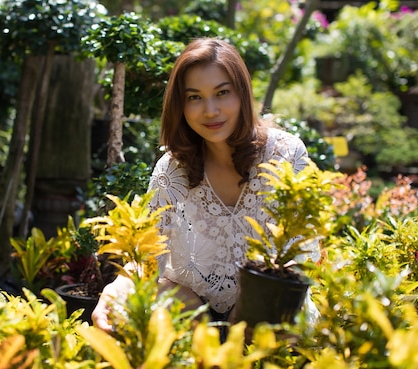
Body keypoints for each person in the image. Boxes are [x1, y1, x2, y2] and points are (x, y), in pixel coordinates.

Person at [92, 37, 313, 331]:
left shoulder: (285, 155)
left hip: (273, 311)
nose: (210, 110)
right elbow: (146, 254)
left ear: (243, 94)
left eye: (222, 93)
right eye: (195, 97)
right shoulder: (171, 170)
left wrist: (250, 310)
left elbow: (301, 256)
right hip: (190, 316)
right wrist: (118, 287)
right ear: (180, 105)